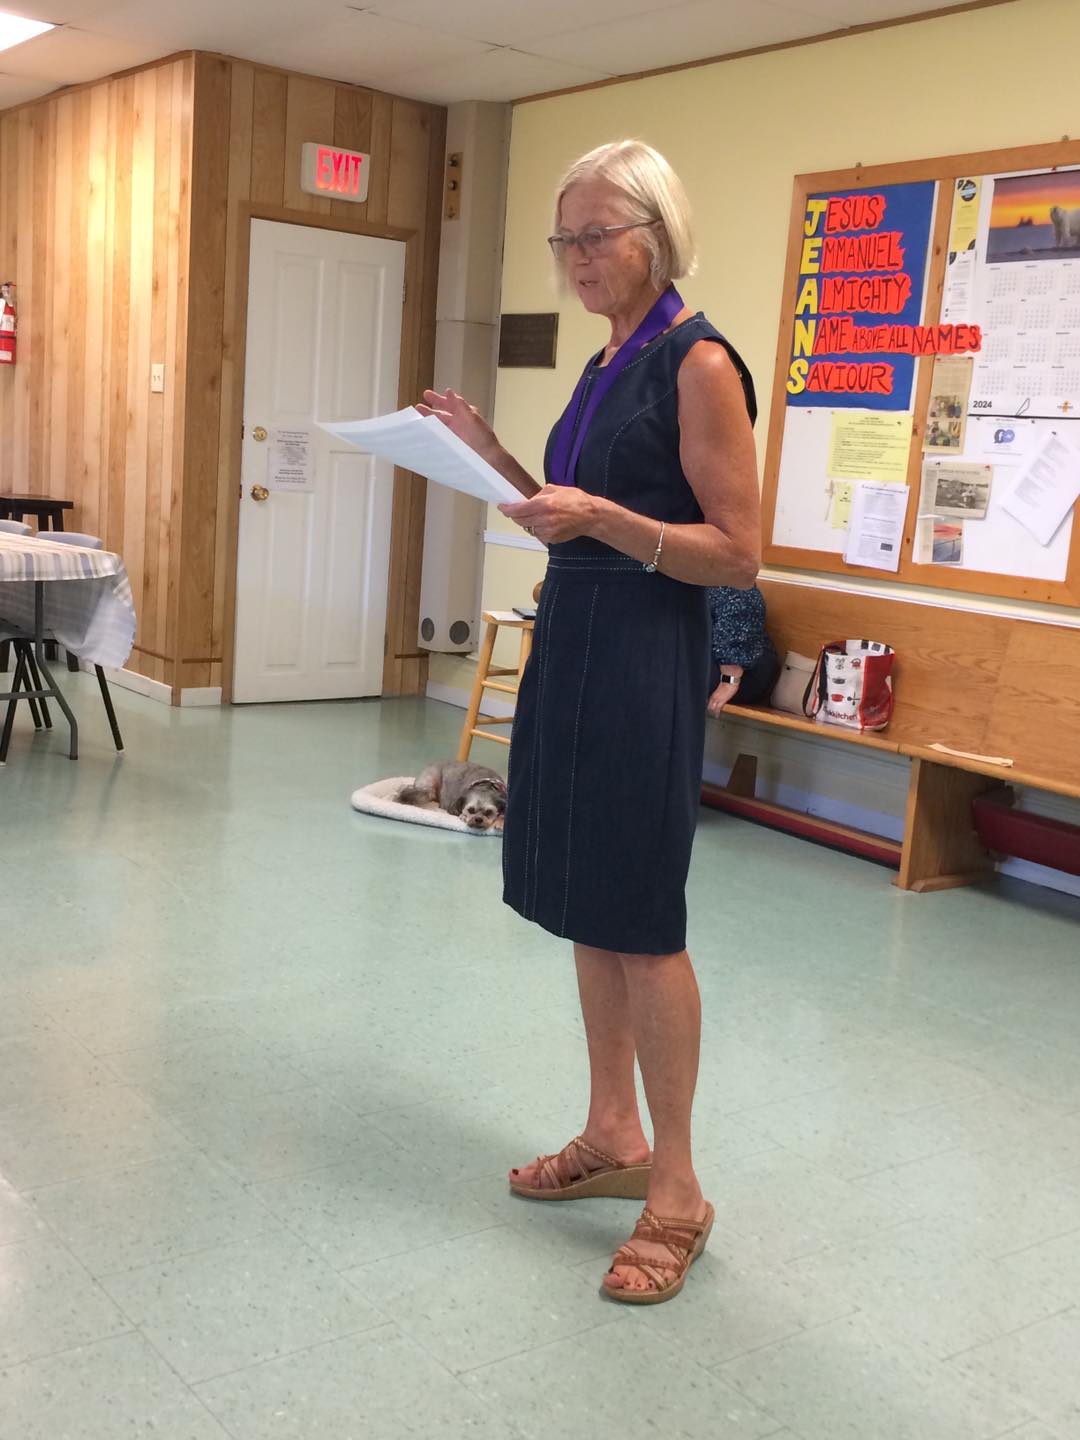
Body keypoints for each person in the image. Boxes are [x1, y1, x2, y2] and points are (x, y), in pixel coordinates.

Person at [418, 140, 760, 1305]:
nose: (573, 258)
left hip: (644, 658)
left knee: (644, 919)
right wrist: (491, 455)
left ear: (654, 234)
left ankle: (678, 1190)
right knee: (588, 904)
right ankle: (611, 1131)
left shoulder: (697, 361)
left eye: (593, 235)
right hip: (574, 640)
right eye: (562, 239)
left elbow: (737, 551)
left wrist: (607, 516)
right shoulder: (608, 361)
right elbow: (570, 520)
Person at [705, 584, 779, 716]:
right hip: (709, 654)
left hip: (746, 666)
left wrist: (729, 680)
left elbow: (742, 604)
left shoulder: (720, 570)